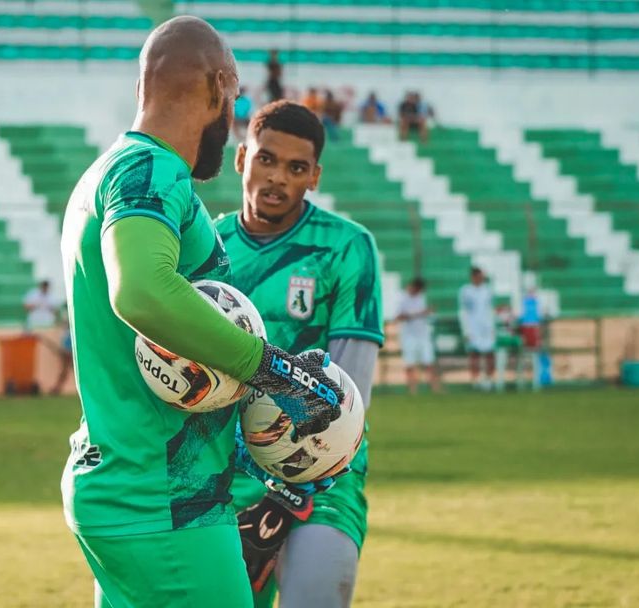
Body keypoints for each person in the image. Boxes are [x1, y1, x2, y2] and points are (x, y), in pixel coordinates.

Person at [59, 17, 346, 608]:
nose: (234, 112)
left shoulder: (108, 172)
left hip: (132, 490)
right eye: (236, 95)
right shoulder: (151, 171)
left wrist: (255, 431)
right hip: (163, 503)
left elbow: (166, 365)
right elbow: (140, 293)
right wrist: (272, 370)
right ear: (219, 85)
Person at [217, 100, 384, 608]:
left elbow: (349, 398)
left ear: (314, 176)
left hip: (325, 475)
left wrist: (283, 501)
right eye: (267, 159)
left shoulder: (347, 248)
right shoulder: (208, 246)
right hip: (222, 476)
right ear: (242, 157)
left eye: (295, 168)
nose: (277, 178)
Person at [397, 278, 441, 395]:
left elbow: (429, 315)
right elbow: (398, 317)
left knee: (429, 362)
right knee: (410, 364)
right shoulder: (402, 298)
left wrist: (428, 313)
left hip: (423, 335)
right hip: (408, 336)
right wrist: (419, 313)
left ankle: (435, 388)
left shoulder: (422, 297)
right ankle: (412, 390)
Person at [459, 267, 496, 391]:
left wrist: (492, 327)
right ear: (473, 277)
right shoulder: (465, 291)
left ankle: (489, 379)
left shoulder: (487, 290)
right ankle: (475, 380)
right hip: (472, 327)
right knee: (474, 354)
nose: (480, 279)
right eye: (478, 276)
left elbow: (489, 310)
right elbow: (463, 311)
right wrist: (466, 330)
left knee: (490, 353)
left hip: (486, 327)